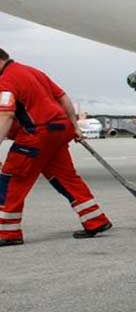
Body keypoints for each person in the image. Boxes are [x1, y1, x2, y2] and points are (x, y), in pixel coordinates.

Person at [0, 48, 112, 246]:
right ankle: (95, 220)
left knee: (12, 179)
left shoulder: (6, 80)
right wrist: (75, 126)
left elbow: (6, 115)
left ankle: (7, 233)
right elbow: (63, 98)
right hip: (60, 129)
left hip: (37, 135)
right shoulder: (33, 72)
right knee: (66, 178)